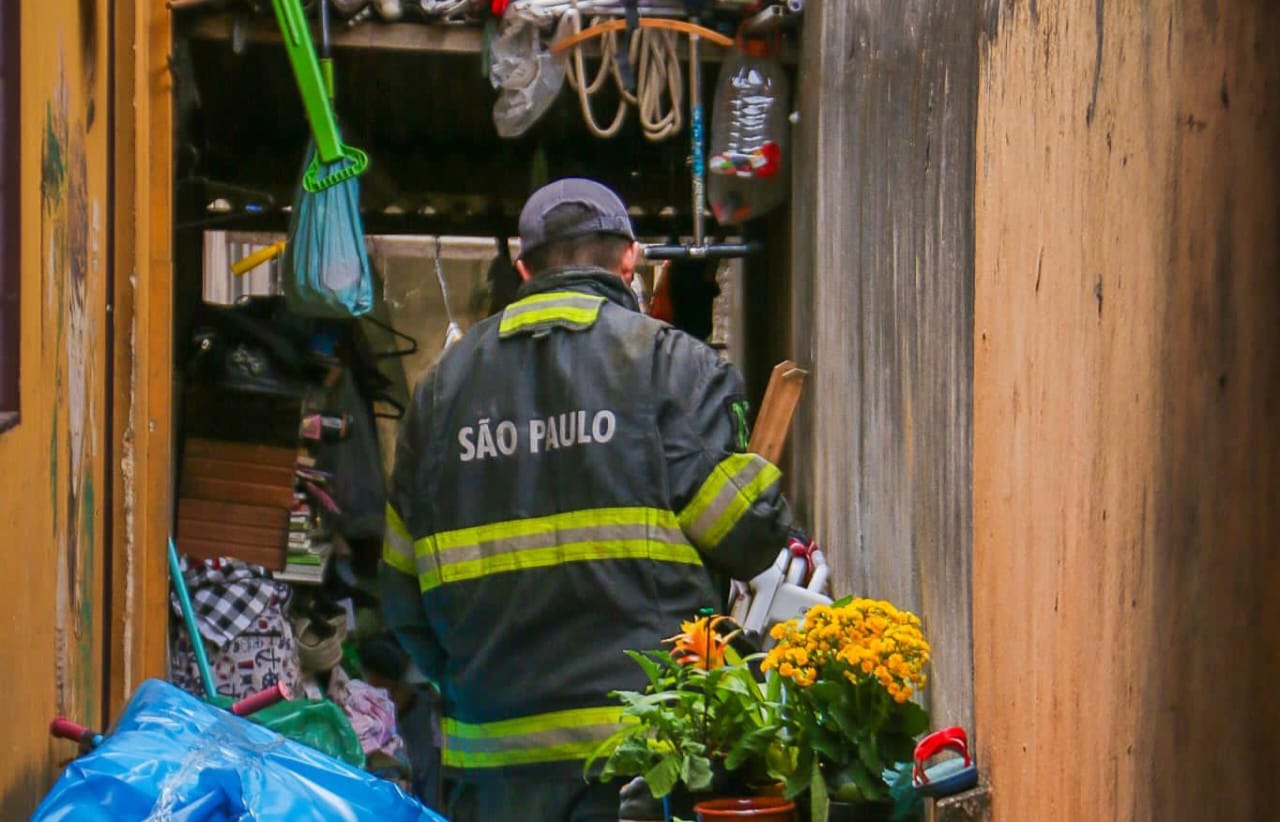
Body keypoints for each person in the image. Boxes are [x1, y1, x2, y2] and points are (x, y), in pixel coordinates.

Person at [379, 177, 792, 822]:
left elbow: (403, 603)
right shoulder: (671, 366)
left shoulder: (437, 397)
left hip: (493, 783)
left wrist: (484, 687)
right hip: (646, 766)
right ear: (630, 260)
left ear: (521, 269)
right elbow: (750, 537)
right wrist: (758, 477)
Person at [359, 633, 444, 812]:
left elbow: (434, 794)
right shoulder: (363, 718)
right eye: (373, 691)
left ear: (403, 687)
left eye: (388, 691)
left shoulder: (428, 720)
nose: (383, 700)